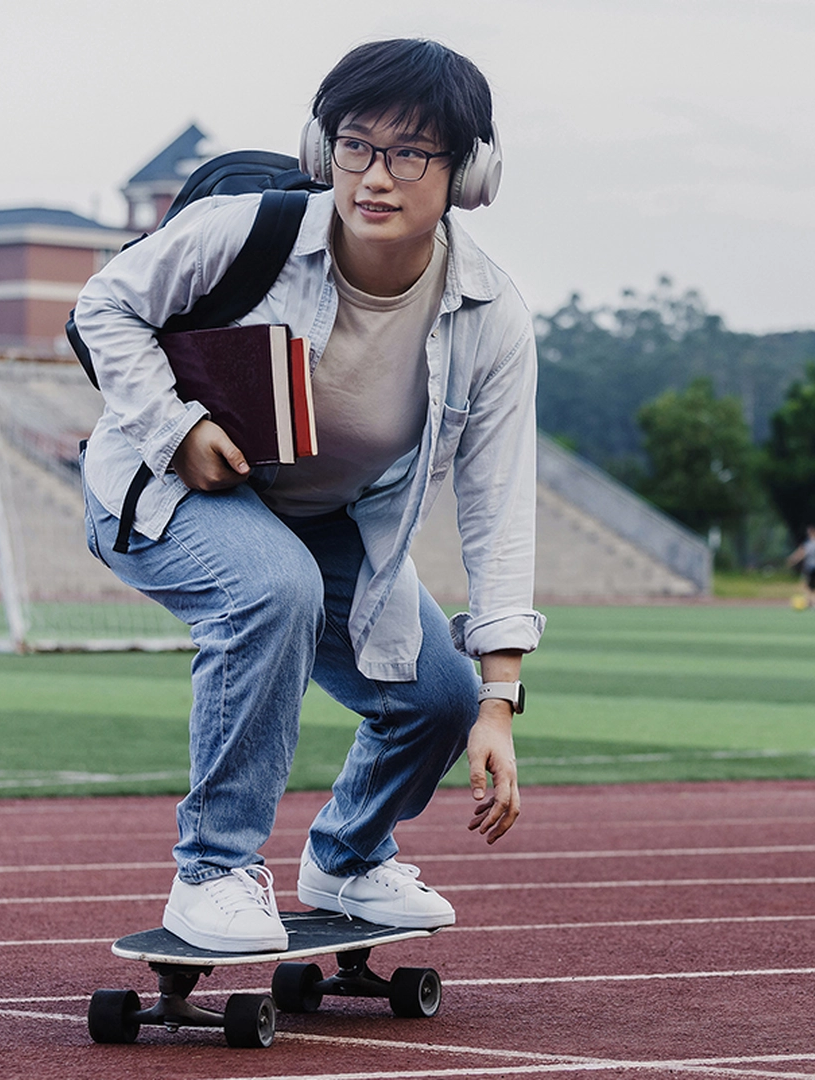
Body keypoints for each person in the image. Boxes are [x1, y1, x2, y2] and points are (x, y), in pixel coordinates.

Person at [74, 39, 545, 953]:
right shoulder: (246, 231)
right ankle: (211, 872)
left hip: (323, 519)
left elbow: (497, 506)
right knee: (271, 588)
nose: (375, 176)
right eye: (355, 146)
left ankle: (348, 856)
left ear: (471, 172)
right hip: (161, 486)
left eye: (411, 153)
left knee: (437, 698)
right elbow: (103, 306)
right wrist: (175, 428)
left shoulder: (491, 317)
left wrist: (498, 701)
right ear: (322, 149)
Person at [787, 524, 815, 610]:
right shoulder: (808, 543)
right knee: (807, 584)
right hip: (808, 566)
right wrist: (793, 559)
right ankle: (809, 600)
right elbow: (801, 552)